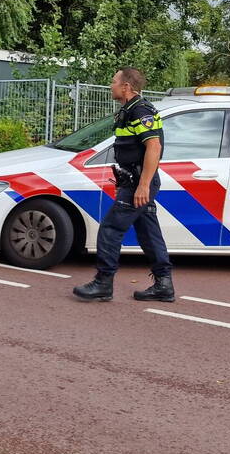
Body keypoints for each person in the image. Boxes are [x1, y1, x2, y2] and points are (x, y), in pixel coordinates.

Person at [73, 67, 175, 303]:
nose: (111, 86)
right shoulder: (130, 110)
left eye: (113, 81)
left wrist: (143, 185)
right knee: (148, 232)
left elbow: (154, 147)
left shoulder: (140, 110)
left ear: (126, 87)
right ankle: (164, 285)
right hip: (134, 180)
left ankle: (103, 283)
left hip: (140, 182)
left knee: (110, 229)